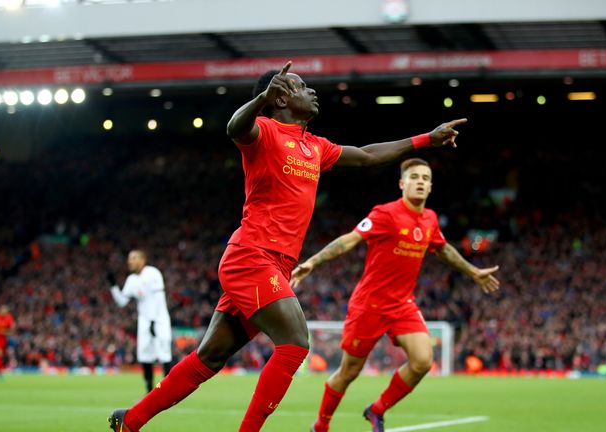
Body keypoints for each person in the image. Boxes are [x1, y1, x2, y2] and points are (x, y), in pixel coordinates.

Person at [109, 61, 467, 432]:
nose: (312, 91)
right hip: (252, 256)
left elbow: (367, 155)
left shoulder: (315, 146)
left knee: (210, 356)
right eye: (301, 87)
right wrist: (261, 98)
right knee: (295, 342)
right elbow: (235, 127)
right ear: (279, 97)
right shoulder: (262, 131)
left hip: (275, 264)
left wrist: (428, 138)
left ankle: (131, 421)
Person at [290, 158, 500, 432]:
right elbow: (350, 239)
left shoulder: (430, 219)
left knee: (423, 361)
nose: (421, 182)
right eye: (415, 177)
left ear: (431, 186)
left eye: (426, 178)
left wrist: (473, 272)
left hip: (402, 305)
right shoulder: (385, 214)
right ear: (402, 184)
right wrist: (313, 262)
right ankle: (321, 425)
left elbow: (442, 248)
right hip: (369, 305)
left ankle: (377, 410)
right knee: (349, 372)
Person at [108, 249, 173, 394]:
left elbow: (158, 299)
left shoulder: (153, 273)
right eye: (129, 258)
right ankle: (149, 393)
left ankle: (169, 393)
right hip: (144, 322)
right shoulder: (131, 280)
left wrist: (153, 321)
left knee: (164, 355)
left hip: (159, 320)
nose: (130, 261)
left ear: (143, 260)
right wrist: (113, 285)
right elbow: (122, 302)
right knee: (145, 357)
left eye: (134, 258)